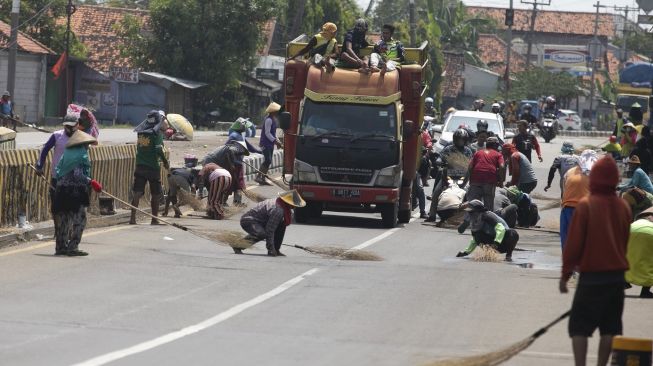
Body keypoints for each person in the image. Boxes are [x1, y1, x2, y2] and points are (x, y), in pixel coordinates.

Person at [560, 156, 631, 366]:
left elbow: (573, 245)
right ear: (616, 179)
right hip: (617, 277)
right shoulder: (624, 207)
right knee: (610, 327)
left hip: (591, 275)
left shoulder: (586, 205)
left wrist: (565, 275)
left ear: (594, 179)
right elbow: (625, 242)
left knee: (579, 327)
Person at [52, 130, 102, 256]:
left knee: (64, 220)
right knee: (80, 220)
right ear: (83, 144)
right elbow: (78, 175)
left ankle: (60, 247)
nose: (88, 147)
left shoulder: (67, 153)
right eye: (87, 144)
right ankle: (73, 247)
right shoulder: (81, 155)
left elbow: (58, 170)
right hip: (74, 192)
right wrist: (91, 182)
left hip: (61, 191)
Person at [129, 110, 170, 225]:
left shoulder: (141, 132)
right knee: (156, 194)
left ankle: (132, 219)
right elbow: (158, 150)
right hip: (153, 167)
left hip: (140, 166)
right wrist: (165, 162)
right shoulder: (156, 134)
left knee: (137, 193)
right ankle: (154, 219)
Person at [425, 128, 473, 222]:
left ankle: (468, 219)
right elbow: (440, 158)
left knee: (469, 195)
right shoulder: (448, 148)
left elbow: (471, 161)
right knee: (436, 193)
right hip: (447, 176)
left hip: (463, 177)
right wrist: (440, 162)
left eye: (462, 139)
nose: (460, 141)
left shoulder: (468, 151)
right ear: (455, 139)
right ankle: (432, 215)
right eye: (459, 139)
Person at [239, 190, 306, 256]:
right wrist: (270, 249)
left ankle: (277, 249)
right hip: (249, 220)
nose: (295, 206)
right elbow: (270, 230)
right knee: (261, 234)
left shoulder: (283, 206)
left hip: (262, 221)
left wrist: (275, 249)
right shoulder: (278, 210)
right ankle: (237, 245)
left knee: (282, 225)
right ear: (288, 202)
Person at [35, 115, 79, 201]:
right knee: (56, 203)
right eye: (67, 126)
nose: (69, 128)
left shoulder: (81, 138)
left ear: (76, 125)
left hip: (73, 177)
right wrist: (39, 166)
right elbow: (45, 149)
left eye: (71, 126)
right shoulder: (57, 136)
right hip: (57, 176)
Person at [559, 150, 596, 250]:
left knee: (566, 239)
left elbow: (563, 190)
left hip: (566, 208)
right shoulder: (596, 174)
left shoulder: (569, 172)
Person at [202, 140, 250, 205]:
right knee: (218, 182)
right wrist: (232, 164)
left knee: (216, 183)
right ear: (241, 148)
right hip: (211, 162)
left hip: (210, 162)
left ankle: (217, 202)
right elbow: (230, 151)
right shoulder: (233, 148)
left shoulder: (227, 148)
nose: (242, 153)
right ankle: (217, 203)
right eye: (243, 151)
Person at [465, 136, 504, 211]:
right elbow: (502, 167)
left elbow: (470, 167)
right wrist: (501, 182)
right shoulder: (498, 154)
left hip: (475, 181)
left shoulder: (478, 153)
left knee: (472, 205)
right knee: (488, 207)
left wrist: (471, 180)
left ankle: (470, 221)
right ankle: (486, 221)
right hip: (489, 182)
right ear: (496, 145)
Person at [625, 207, 653, 298]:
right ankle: (645, 291)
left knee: (630, 257)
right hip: (650, 231)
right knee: (649, 261)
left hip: (631, 229)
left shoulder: (647, 211)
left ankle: (624, 282)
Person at [258, 102, 283, 185]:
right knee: (267, 160)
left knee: (269, 161)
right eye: (276, 111)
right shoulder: (268, 120)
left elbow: (273, 133)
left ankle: (263, 178)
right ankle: (259, 176)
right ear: (273, 111)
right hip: (265, 143)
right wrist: (275, 141)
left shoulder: (273, 120)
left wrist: (278, 140)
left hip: (270, 144)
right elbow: (267, 133)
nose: (277, 113)